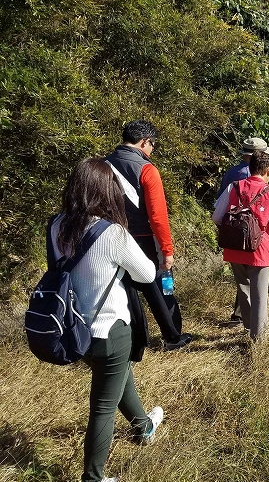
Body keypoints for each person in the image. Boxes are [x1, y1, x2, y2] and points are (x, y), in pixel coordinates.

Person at [51, 158, 163, 482]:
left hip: (72, 329)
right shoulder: (113, 233)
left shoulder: (56, 225)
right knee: (102, 406)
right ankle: (93, 478)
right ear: (107, 192)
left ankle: (143, 428)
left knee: (117, 376)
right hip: (109, 329)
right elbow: (147, 273)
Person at [106, 120, 192, 350]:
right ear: (144, 142)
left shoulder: (102, 166)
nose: (152, 149)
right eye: (152, 144)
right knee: (162, 287)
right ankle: (172, 336)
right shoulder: (146, 169)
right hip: (144, 240)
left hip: (111, 237)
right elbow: (158, 217)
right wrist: (167, 250)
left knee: (127, 291)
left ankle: (137, 342)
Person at [213, 150, 269, 340]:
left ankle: (249, 327)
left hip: (234, 248)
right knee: (259, 296)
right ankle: (258, 338)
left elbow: (216, 216)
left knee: (244, 289)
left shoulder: (234, 187)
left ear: (250, 167)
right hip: (259, 250)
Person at [218, 137, 269, 324]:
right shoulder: (246, 176)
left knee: (241, 277)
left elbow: (220, 205)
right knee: (252, 281)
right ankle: (249, 319)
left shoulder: (231, 171)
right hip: (249, 233)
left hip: (229, 226)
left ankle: (242, 315)